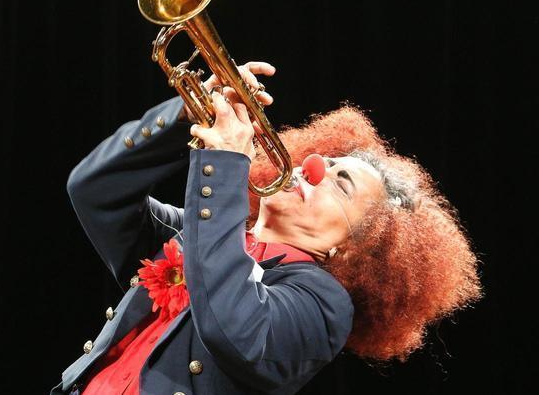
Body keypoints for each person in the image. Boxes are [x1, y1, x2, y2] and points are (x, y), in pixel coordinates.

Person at [54, 62, 480, 394]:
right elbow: (95, 190)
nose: (310, 169)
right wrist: (188, 113)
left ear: (354, 250)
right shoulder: (197, 235)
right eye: (325, 162)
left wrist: (223, 165)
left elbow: (230, 324)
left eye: (341, 184)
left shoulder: (323, 307)